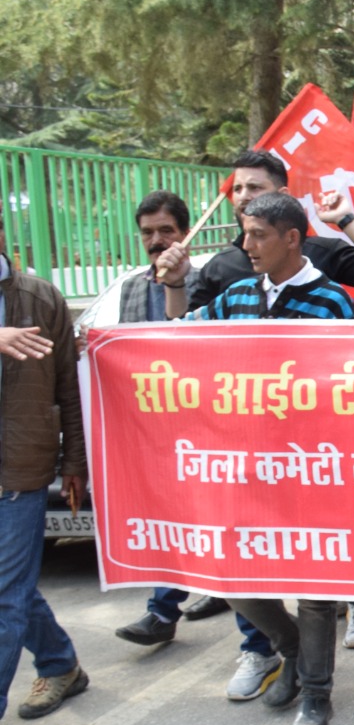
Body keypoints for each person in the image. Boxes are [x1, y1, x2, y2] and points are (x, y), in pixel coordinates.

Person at [155, 192, 354, 725]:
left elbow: (351, 392)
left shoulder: (332, 302)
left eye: (258, 234)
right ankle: (288, 651)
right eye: (244, 234)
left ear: (292, 238)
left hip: (311, 469)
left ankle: (316, 693)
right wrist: (175, 284)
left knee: (316, 589)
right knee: (233, 574)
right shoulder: (238, 293)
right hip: (245, 469)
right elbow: (183, 339)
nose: (246, 246)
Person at [109, 192, 238, 641]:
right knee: (170, 519)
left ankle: (253, 638)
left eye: (166, 231)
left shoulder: (206, 281)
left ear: (185, 233)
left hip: (203, 427)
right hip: (153, 428)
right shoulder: (130, 286)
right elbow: (123, 351)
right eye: (148, 232)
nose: (157, 240)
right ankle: (163, 612)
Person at [0, 221, 90, 723]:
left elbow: (67, 390)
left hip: (19, 472)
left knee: (4, 600)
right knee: (12, 589)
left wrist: (73, 462)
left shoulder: (40, 298)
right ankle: (59, 663)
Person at [189, 150, 354, 311]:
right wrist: (174, 285)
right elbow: (186, 332)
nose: (244, 196)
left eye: (255, 188)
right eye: (237, 189)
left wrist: (345, 219)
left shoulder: (323, 254)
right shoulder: (219, 267)